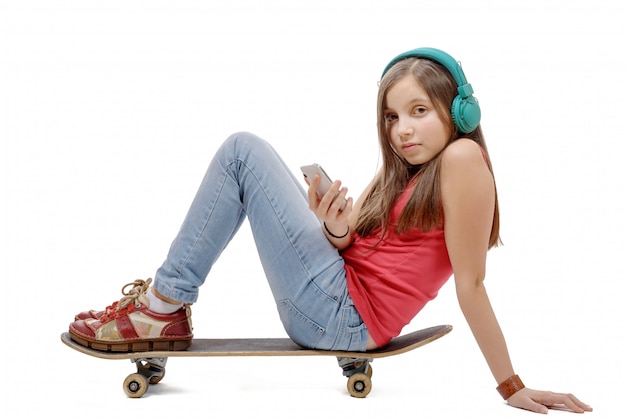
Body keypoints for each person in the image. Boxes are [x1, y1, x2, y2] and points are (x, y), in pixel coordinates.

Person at [69, 47, 592, 414]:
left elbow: (471, 284)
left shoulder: (461, 158)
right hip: (336, 298)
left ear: (459, 112)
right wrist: (337, 231)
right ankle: (162, 306)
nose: (402, 129)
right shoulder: (402, 170)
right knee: (245, 153)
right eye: (392, 117)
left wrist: (510, 386)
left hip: (342, 316)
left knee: (241, 151)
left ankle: (160, 307)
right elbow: (359, 249)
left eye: (418, 111)